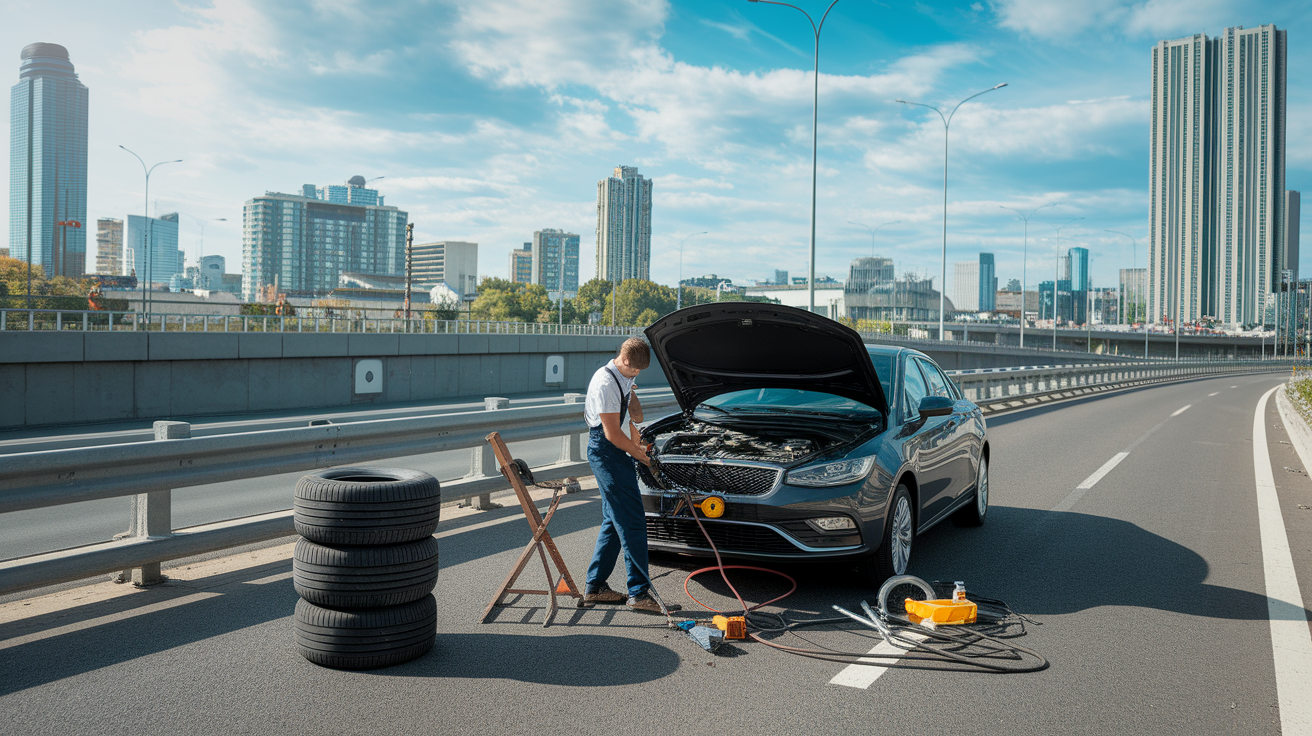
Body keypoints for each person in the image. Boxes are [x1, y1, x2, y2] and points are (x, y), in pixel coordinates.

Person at [580, 337, 663, 613]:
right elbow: (612, 434)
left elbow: (636, 417)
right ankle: (638, 592)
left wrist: (631, 388)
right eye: (634, 370)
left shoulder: (623, 379)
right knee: (633, 522)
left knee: (613, 521)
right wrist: (641, 456)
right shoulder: (605, 383)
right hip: (606, 451)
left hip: (613, 451)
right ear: (624, 360)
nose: (636, 374)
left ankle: (595, 587)